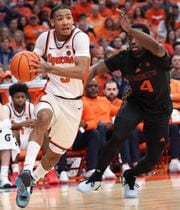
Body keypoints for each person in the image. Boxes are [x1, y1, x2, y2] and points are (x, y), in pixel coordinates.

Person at [77, 9, 172, 199]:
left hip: (160, 110)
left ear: (146, 39)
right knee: (118, 135)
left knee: (153, 159)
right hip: (136, 103)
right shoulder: (123, 57)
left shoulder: (158, 54)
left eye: (137, 37)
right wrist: (81, 84)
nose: (133, 41)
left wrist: (130, 28)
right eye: (130, 37)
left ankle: (130, 175)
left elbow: (155, 45)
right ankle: (96, 176)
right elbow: (95, 69)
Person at [15, 5, 90, 208]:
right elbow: (32, 62)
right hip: (51, 94)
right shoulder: (44, 38)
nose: (66, 21)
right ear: (52, 22)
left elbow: (82, 71)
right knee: (43, 118)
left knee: (53, 157)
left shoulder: (80, 38)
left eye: (68, 17)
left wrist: (51, 67)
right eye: (60, 18)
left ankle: (30, 183)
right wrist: (21, 68)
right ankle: (27, 170)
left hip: (73, 103)